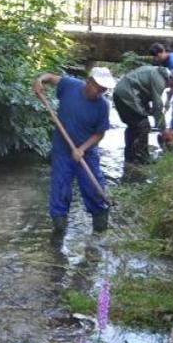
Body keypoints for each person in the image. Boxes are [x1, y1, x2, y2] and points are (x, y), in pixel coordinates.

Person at [34, 67, 115, 235]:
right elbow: (49, 77)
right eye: (98, 87)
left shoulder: (103, 106)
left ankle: (99, 233)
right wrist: (39, 81)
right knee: (60, 189)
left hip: (87, 153)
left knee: (94, 190)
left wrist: (82, 149)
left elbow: (99, 134)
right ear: (89, 81)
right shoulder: (70, 85)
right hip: (63, 150)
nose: (100, 91)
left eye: (104, 89)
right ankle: (59, 233)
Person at [113, 66, 173, 166]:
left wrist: (149, 111)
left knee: (134, 126)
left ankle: (130, 157)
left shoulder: (157, 72)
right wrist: (163, 129)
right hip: (126, 96)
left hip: (121, 93)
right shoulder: (160, 80)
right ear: (172, 79)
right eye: (171, 85)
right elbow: (158, 105)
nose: (168, 88)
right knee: (143, 125)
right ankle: (142, 159)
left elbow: (144, 94)